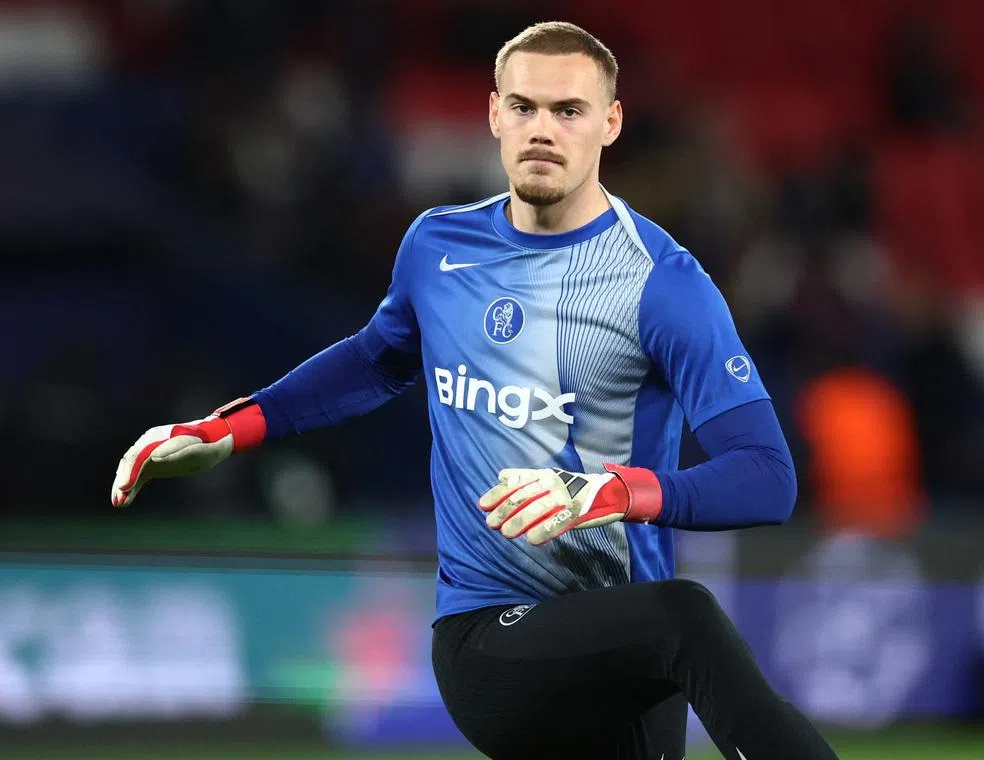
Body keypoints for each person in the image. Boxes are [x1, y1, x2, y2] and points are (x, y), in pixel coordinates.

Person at [112, 21, 840, 760]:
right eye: (523, 107)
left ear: (610, 123)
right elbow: (375, 360)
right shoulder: (439, 246)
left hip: (627, 648)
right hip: (490, 639)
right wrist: (228, 430)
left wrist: (610, 493)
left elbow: (767, 478)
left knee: (670, 625)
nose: (543, 131)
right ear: (493, 114)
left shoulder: (663, 283)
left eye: (569, 110)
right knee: (686, 614)